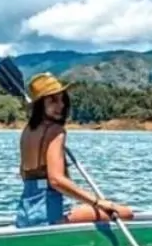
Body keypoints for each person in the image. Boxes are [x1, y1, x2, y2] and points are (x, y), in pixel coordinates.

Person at [15, 73, 135, 228]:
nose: (60, 105)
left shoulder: (27, 131)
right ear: (40, 104)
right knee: (126, 213)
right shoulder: (55, 130)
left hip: (25, 215)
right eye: (52, 100)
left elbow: (25, 175)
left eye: (61, 99)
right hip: (50, 216)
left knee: (83, 209)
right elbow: (56, 180)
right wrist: (97, 202)